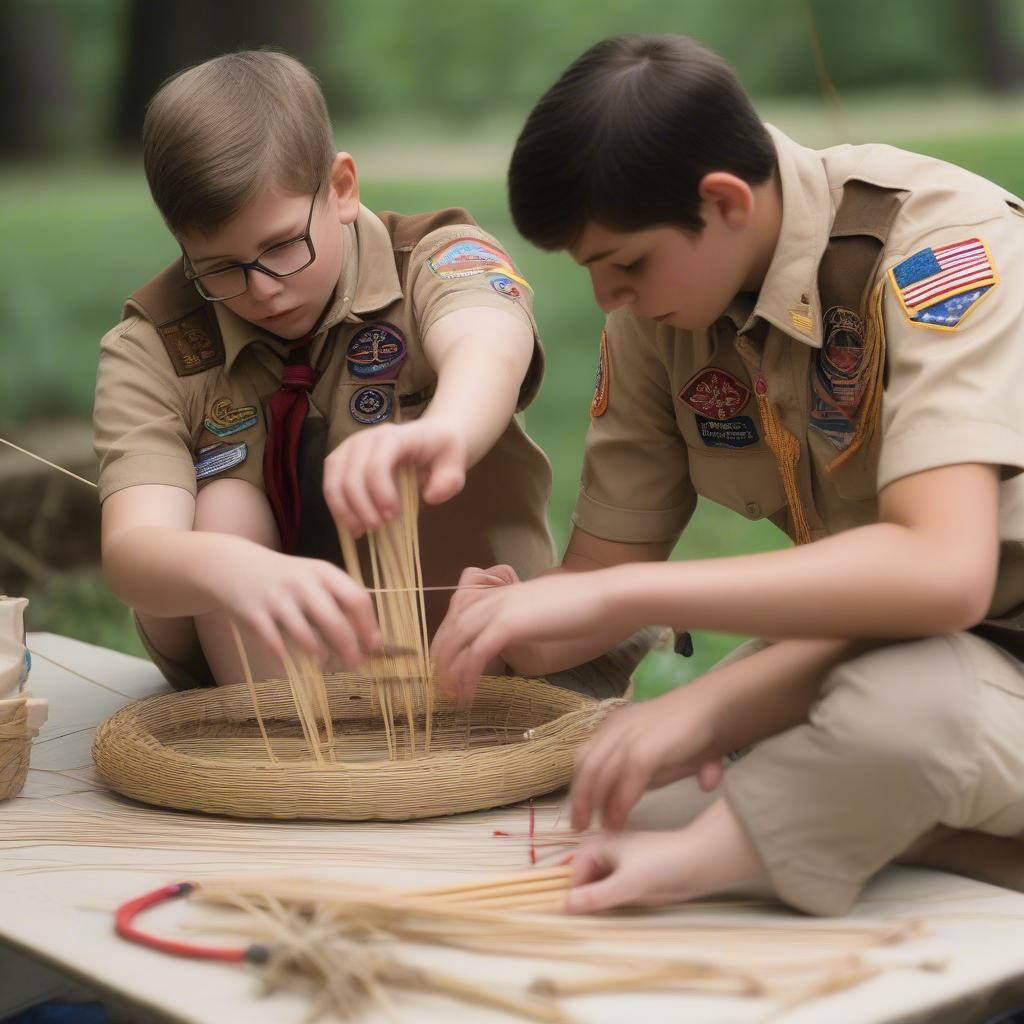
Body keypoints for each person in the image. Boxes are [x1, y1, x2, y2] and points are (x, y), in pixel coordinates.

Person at [430, 34, 1024, 916]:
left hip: (973, 644)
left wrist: (652, 633)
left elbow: (944, 575)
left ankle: (838, 840)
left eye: (625, 264)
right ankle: (916, 834)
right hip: (879, 640)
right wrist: (511, 620)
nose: (607, 300)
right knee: (630, 793)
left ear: (723, 201)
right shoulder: (663, 307)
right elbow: (601, 575)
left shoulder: (937, 250)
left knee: (898, 724)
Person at [93, 50, 643, 697]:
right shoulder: (153, 343)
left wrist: (444, 433)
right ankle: (285, 745)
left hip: (471, 646)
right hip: (253, 663)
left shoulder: (432, 257)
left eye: (280, 247)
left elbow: (488, 341)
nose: (262, 289)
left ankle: (464, 703)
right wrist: (234, 568)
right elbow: (134, 550)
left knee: (427, 476)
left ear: (342, 188)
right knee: (222, 509)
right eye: (218, 267)